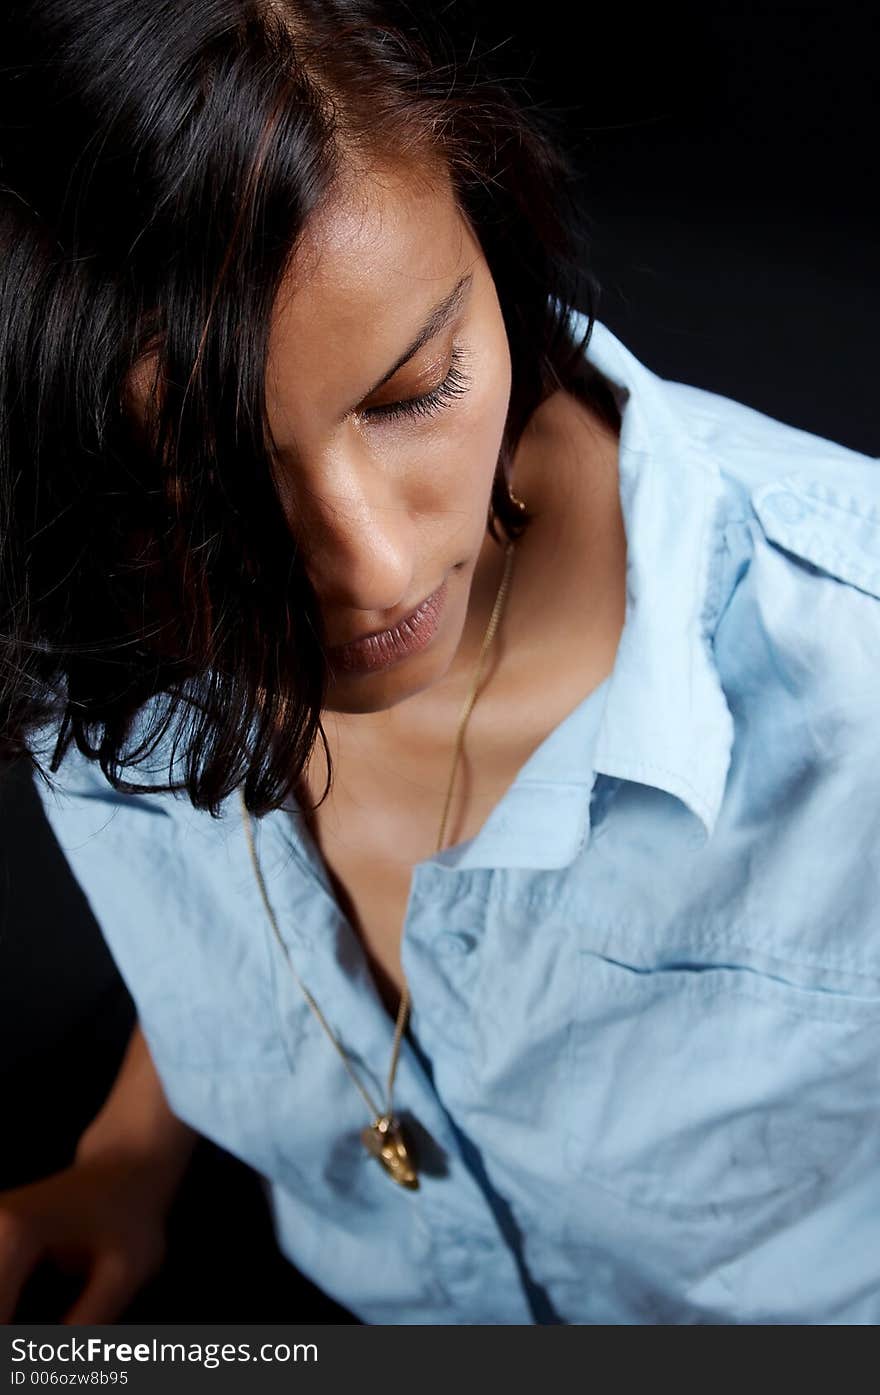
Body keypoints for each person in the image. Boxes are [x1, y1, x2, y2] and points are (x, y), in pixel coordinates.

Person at [1, 0, 878, 1327]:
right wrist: (128, 1160)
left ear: (489, 232)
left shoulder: (856, 679)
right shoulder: (86, 619)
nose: (375, 571)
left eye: (416, 390)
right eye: (204, 496)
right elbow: (223, 923)